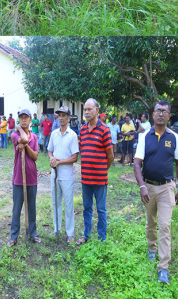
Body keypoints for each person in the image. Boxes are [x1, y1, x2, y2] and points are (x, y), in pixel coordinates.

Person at [134, 101, 178, 285]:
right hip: (149, 187)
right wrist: (142, 186)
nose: (161, 114)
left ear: (169, 116)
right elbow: (137, 164)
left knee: (165, 225)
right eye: (158, 111)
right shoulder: (145, 136)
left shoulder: (174, 138)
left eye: (165, 111)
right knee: (151, 222)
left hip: (167, 188)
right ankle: (151, 248)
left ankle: (163, 268)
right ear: (153, 115)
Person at [76, 99, 114, 245]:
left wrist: (103, 170)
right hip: (85, 179)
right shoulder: (83, 129)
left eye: (89, 109)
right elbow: (82, 151)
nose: (87, 112)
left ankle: (102, 239)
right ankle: (86, 236)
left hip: (100, 179)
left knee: (101, 210)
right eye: (85, 109)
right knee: (87, 208)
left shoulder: (104, 129)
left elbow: (110, 156)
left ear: (97, 110)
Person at [8, 109, 40, 246]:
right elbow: (22, 138)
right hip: (19, 178)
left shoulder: (35, 137)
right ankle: (14, 237)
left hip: (31, 177)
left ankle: (32, 234)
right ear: (19, 120)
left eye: (26, 117)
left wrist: (25, 146)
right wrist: (20, 130)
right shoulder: (15, 135)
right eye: (21, 118)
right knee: (16, 209)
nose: (24, 120)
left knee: (31, 208)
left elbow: (35, 156)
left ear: (30, 120)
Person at [48, 106, 79, 244]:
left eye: (63, 115)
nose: (61, 117)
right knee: (56, 202)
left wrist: (60, 162)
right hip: (54, 175)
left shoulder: (72, 135)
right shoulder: (54, 134)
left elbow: (74, 158)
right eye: (59, 115)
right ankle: (56, 229)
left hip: (67, 176)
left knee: (68, 204)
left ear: (68, 118)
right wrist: (51, 158)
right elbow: (50, 151)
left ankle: (70, 233)